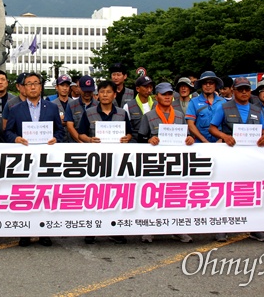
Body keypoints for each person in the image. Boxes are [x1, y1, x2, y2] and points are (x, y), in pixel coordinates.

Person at [4, 72, 64, 247]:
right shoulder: (15, 109)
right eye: (28, 84)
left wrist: (56, 139)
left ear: (41, 86)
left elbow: (60, 131)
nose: (32, 87)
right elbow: (7, 132)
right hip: (25, 159)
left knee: (45, 195)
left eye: (35, 83)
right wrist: (15, 139)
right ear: (23, 87)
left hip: (46, 158)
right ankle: (25, 232)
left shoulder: (52, 108)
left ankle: (45, 231)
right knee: (26, 195)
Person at [208, 77, 264, 243]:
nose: (244, 92)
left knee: (251, 192)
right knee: (226, 191)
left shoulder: (257, 110)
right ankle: (222, 228)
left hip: (252, 158)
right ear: (234, 91)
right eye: (240, 89)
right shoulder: (224, 107)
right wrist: (224, 136)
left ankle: (255, 227)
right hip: (230, 156)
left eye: (247, 90)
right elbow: (212, 128)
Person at [137, 82, 194, 244]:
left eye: (169, 94)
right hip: (155, 163)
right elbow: (140, 139)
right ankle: (149, 230)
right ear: (156, 97)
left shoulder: (179, 115)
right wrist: (149, 140)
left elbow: (187, 135)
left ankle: (177, 229)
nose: (167, 97)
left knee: (175, 196)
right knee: (153, 196)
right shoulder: (148, 116)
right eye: (163, 94)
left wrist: (190, 139)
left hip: (176, 162)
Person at [77, 80, 130, 244]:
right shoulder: (89, 112)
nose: (105, 95)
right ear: (97, 95)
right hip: (95, 161)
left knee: (115, 194)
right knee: (94, 194)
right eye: (102, 92)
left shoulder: (122, 113)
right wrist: (89, 140)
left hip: (116, 161)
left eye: (108, 92)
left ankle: (114, 229)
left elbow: (130, 134)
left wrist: (126, 138)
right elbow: (80, 134)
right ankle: (91, 230)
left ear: (115, 95)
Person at [185, 71, 226, 143]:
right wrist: (204, 141)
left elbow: (226, 124)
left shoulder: (223, 102)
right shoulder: (193, 102)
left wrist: (221, 139)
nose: (208, 85)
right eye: (205, 83)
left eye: (211, 83)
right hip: (200, 144)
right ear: (201, 85)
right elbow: (190, 124)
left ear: (215, 85)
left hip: (220, 144)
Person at [65, 75, 99, 142]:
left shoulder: (99, 105)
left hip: (95, 144)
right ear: (79, 88)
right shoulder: (71, 105)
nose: (87, 94)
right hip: (75, 145)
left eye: (89, 91)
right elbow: (70, 126)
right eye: (85, 91)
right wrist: (81, 142)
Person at [123, 76, 154, 142]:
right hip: (135, 144)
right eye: (146, 87)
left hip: (154, 143)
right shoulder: (128, 106)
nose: (149, 90)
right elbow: (125, 128)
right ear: (137, 89)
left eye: (150, 87)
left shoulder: (156, 105)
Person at [48, 74, 72, 142]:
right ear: (57, 87)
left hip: (73, 142)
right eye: (62, 85)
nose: (65, 88)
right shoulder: (51, 104)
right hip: (57, 141)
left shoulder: (75, 104)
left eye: (67, 86)